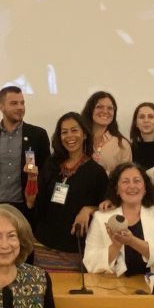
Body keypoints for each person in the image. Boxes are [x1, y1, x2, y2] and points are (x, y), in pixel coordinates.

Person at [27, 112, 107, 271]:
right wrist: (32, 178)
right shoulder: (51, 164)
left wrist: (89, 209)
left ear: (84, 134)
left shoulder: (96, 172)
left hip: (74, 249)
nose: (69, 136)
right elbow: (30, 203)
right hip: (43, 243)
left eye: (74, 130)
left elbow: (107, 206)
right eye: (64, 132)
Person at [84, 163, 154, 276]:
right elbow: (89, 263)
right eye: (125, 182)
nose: (132, 186)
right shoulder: (101, 217)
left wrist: (132, 241)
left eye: (137, 181)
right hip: (113, 288)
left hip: (152, 285)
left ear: (145, 188)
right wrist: (116, 246)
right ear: (117, 189)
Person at [0, 86, 51, 216]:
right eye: (14, 103)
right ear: (1, 107)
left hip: (26, 208)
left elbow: (46, 172)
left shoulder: (37, 135)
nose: (20, 107)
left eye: (22, 103)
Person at [81, 90, 132, 174]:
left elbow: (125, 178)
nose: (105, 111)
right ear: (90, 110)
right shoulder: (79, 139)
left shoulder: (122, 145)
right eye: (99, 107)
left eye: (110, 108)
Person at [128, 101, 154, 171]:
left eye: (151, 117)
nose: (146, 120)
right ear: (135, 123)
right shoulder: (128, 149)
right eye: (141, 117)